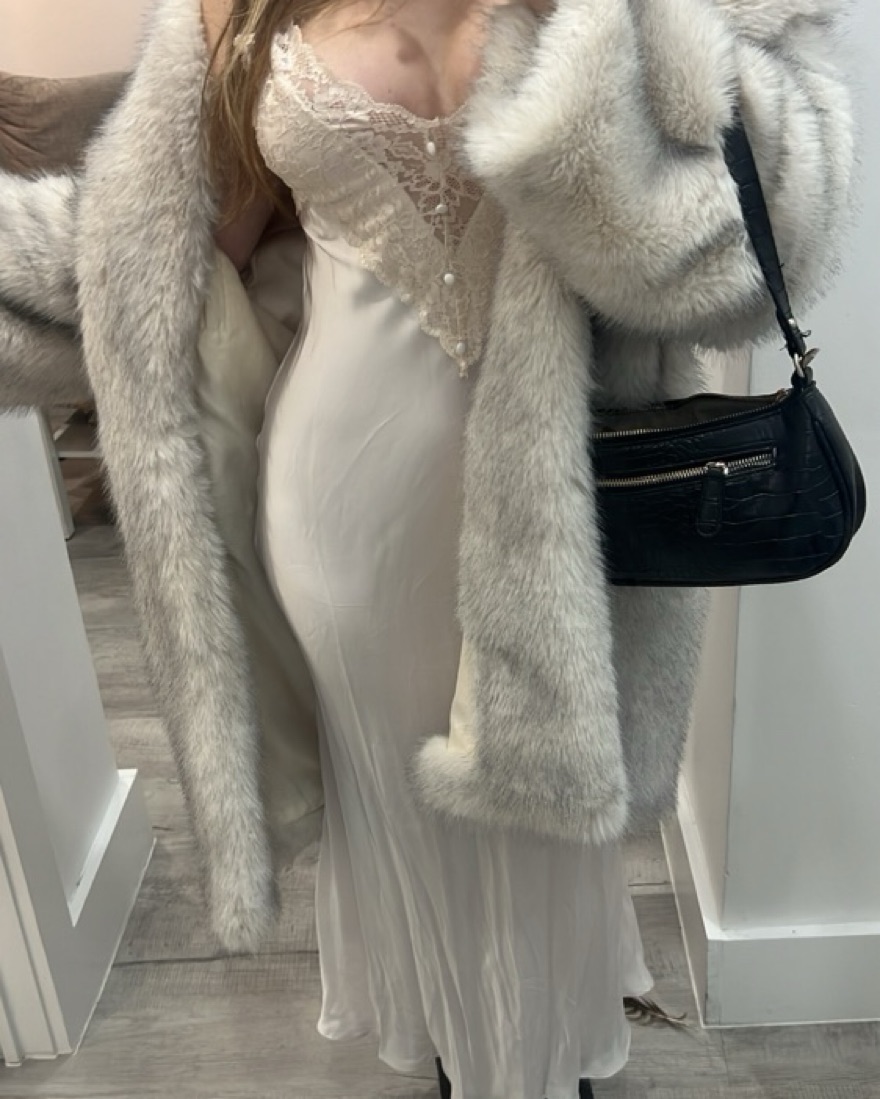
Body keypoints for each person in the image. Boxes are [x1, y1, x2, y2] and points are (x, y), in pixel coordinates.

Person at [0, 1, 853, 1096]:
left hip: (561, 504)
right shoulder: (239, 11)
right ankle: (466, 1048)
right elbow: (162, 257)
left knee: (547, 803)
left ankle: (542, 1054)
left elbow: (727, 265)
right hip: (342, 503)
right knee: (404, 798)